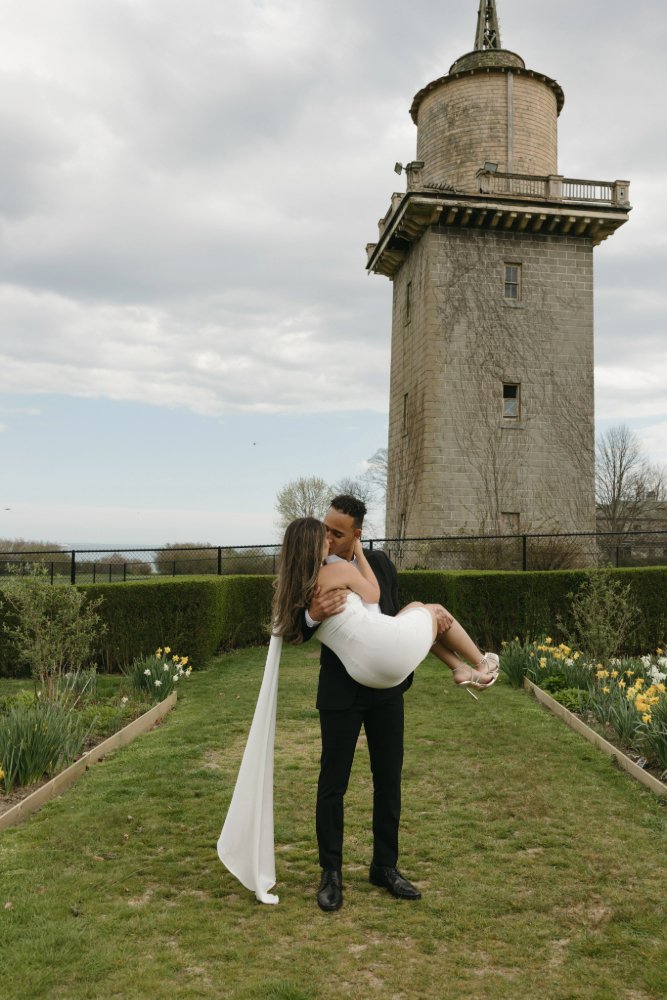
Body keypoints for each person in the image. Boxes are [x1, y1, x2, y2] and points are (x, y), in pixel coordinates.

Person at [286, 496, 497, 912]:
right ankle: (331, 874)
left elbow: (396, 622)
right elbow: (291, 626)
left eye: (337, 532)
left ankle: (385, 867)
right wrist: (311, 616)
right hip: (340, 692)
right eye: (325, 528)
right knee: (332, 785)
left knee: (389, 780)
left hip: (386, 691)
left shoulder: (379, 564)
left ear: (357, 535)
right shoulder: (308, 565)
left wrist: (439, 652)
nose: (327, 536)